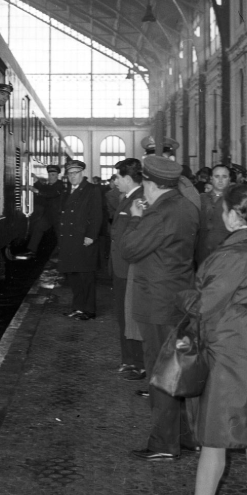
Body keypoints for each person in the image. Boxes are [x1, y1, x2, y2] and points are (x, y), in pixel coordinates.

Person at [159, 185, 247, 495]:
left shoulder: (234, 255)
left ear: (231, 214)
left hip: (229, 348)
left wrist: (180, 295)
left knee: (214, 433)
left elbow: (204, 303)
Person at [121, 155, 200, 460]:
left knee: (160, 373)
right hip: (178, 297)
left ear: (152, 184)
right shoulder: (187, 207)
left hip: (157, 302)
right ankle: (185, 436)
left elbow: (129, 249)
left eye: (145, 186)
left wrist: (133, 217)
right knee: (176, 370)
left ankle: (164, 444)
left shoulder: (159, 213)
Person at [109, 158, 145, 380]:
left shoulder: (140, 200)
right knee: (123, 316)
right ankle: (128, 360)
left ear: (128, 179)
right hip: (121, 267)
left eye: (118, 178)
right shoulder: (129, 198)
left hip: (130, 269)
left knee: (132, 316)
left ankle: (138, 363)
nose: (115, 182)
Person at [56, 160, 104, 321]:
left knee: (86, 276)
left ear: (82, 173)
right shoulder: (67, 191)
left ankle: (89, 310)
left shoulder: (92, 190)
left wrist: (91, 236)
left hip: (83, 240)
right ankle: (77, 308)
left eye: (75, 173)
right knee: (74, 276)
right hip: (70, 240)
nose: (72, 176)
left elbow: (97, 215)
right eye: (69, 173)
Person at [19, 165, 65, 259]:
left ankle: (64, 255)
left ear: (57, 176)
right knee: (38, 228)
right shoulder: (50, 185)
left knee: (61, 235)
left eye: (53, 175)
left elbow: (50, 194)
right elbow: (44, 189)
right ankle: (32, 250)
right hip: (48, 216)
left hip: (58, 216)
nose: (51, 177)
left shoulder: (60, 185)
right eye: (50, 174)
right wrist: (36, 181)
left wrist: (36, 191)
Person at [196, 163, 231, 266]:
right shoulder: (200, 199)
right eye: (217, 176)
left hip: (226, 252)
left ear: (229, 179)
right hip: (202, 253)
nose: (220, 180)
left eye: (224, 177)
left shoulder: (234, 200)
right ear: (211, 178)